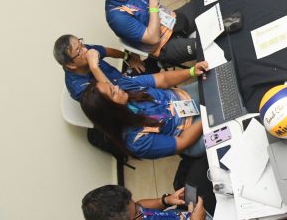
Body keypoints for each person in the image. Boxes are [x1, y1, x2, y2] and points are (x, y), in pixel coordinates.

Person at [80, 61, 209, 159]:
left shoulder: (123, 85)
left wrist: (192, 71)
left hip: (182, 98)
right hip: (188, 134)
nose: (117, 88)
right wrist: (210, 115)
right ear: (110, 111)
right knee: (227, 126)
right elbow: (183, 142)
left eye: (111, 86)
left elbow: (163, 79)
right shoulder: (136, 141)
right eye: (113, 92)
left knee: (221, 80)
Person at [54, 34, 145, 101]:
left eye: (81, 44)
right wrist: (94, 68)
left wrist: (128, 58)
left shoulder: (85, 49)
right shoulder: (78, 88)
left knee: (148, 66)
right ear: (71, 65)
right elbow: (112, 101)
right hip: (120, 101)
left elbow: (107, 51)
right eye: (79, 51)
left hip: (124, 80)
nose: (85, 50)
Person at [82, 185, 207, 220]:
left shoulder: (134, 211)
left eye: (134, 204)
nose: (140, 209)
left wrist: (166, 200)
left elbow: (141, 205)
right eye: (137, 212)